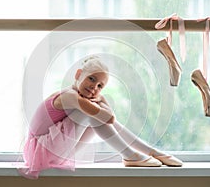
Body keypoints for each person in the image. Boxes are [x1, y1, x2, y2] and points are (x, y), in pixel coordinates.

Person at [18, 55, 183, 179]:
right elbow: (109, 117)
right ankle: (130, 155)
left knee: (95, 116)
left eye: (100, 86)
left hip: (55, 148)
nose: (94, 87)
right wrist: (102, 100)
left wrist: (101, 101)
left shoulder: (82, 97)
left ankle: (152, 152)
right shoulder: (70, 96)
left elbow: (110, 119)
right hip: (41, 151)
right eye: (91, 79)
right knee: (88, 114)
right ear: (78, 74)